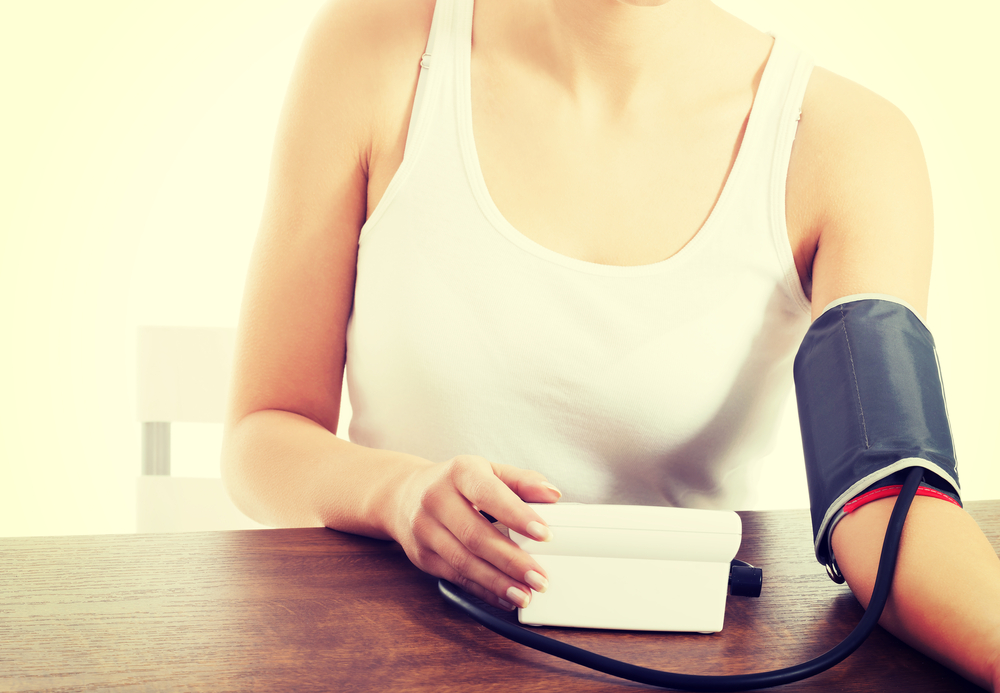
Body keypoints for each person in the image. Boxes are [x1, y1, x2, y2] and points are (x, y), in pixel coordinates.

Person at [220, 0, 1000, 689]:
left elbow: (889, 505)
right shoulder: (377, 48)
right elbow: (263, 433)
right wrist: (395, 494)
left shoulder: (851, 142)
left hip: (683, 662)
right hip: (384, 652)